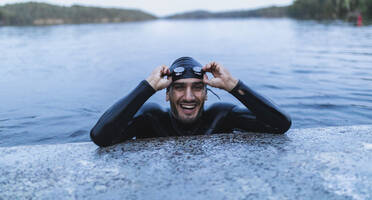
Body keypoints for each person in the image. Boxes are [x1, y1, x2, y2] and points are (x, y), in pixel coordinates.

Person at [90, 57, 291, 147]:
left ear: (206, 94)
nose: (188, 97)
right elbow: (100, 137)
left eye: (197, 87)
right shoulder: (151, 118)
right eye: (179, 88)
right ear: (167, 94)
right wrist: (146, 87)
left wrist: (233, 85)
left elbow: (280, 124)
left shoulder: (221, 116)